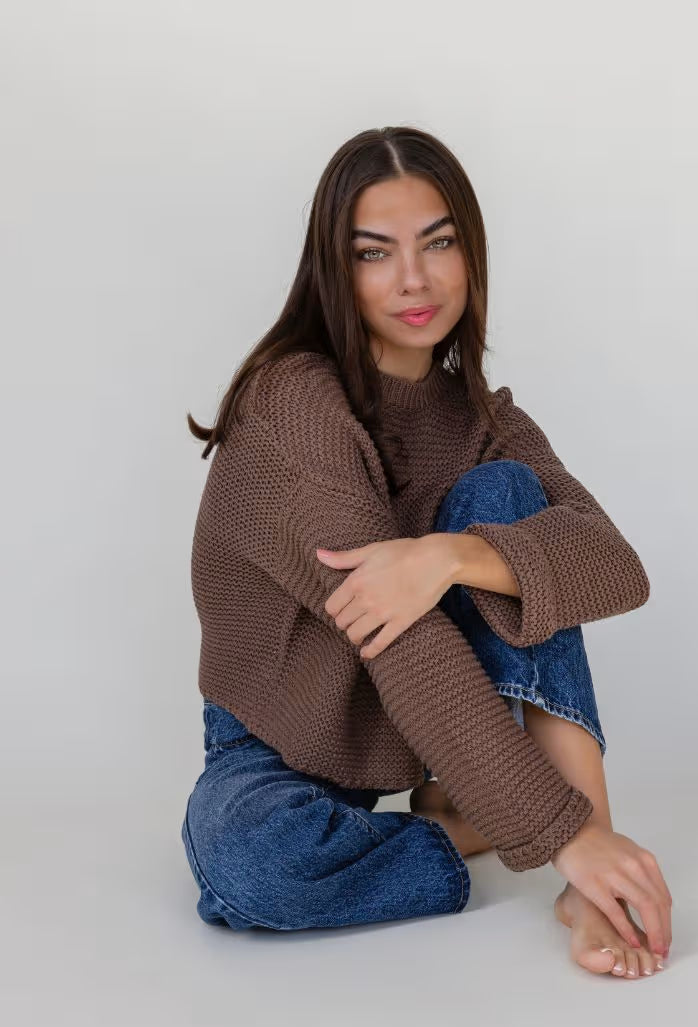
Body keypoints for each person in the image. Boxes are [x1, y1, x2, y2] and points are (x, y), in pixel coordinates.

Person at [183, 125, 672, 979]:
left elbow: (613, 566)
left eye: (438, 243)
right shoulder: (293, 404)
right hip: (281, 742)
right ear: (335, 272)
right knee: (254, 864)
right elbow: (399, 640)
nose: (414, 279)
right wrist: (556, 834)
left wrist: (450, 555)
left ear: (470, 253)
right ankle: (474, 823)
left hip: (432, 726)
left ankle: (587, 879)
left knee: (512, 499)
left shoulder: (482, 418)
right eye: (375, 253)